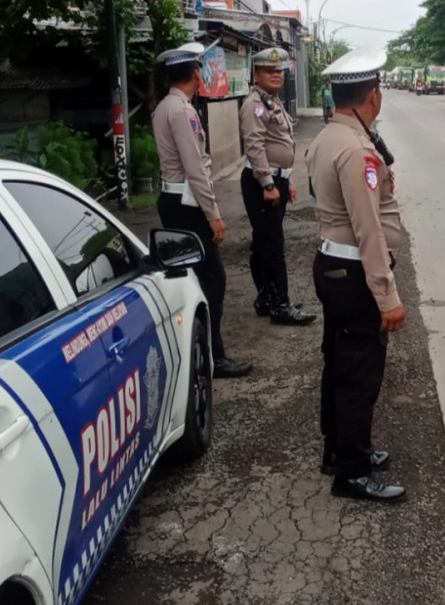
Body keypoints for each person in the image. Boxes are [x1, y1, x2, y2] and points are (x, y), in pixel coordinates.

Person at [304, 48, 407, 502]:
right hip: (353, 270)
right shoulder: (356, 150)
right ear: (373, 96)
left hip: (332, 265)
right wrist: (387, 296)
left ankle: (338, 449)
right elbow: (368, 229)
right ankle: (352, 469)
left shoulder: (328, 137)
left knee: (339, 361)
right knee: (359, 373)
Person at [152, 45, 252, 378]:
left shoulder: (165, 107)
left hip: (174, 200)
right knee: (212, 277)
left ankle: (201, 353)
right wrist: (213, 214)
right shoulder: (182, 112)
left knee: (195, 276)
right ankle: (211, 355)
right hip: (187, 204)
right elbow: (194, 168)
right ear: (196, 72)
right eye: (201, 68)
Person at [240, 46, 315, 326]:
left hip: (275, 179)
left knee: (264, 243)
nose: (275, 75)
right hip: (263, 183)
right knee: (272, 245)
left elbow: (281, 146)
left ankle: (266, 298)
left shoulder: (271, 101)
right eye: (268, 71)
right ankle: (280, 305)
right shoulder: (255, 105)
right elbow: (255, 146)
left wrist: (288, 180)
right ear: (256, 74)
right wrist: (268, 183)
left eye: (279, 70)